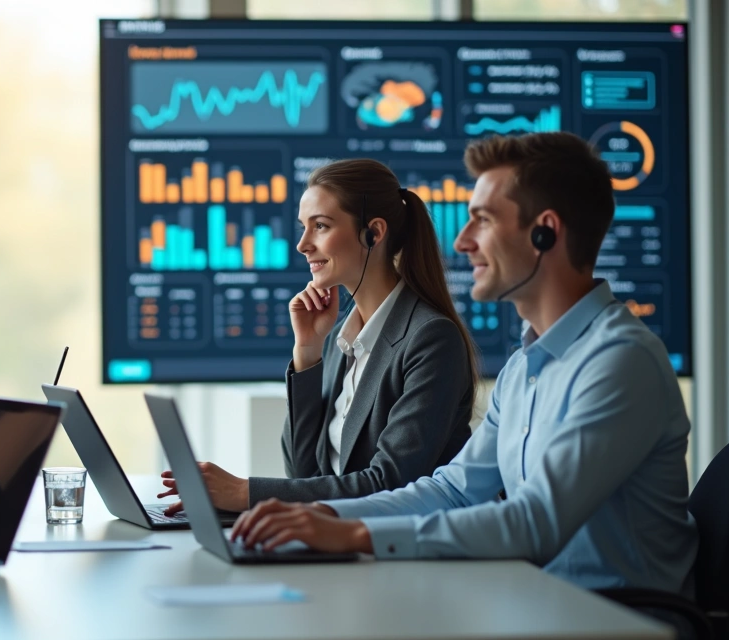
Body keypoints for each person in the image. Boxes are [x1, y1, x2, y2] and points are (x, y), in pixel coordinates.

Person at [231, 132, 698, 596]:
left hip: (611, 617)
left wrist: (356, 534)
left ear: (545, 232)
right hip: (534, 603)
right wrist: (324, 516)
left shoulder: (619, 362)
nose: (461, 241)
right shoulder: (523, 369)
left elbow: (535, 523)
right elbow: (450, 490)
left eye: (483, 220)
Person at [158, 158, 476, 516]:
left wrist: (245, 493)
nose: (303, 245)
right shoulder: (340, 339)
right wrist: (307, 352)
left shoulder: (431, 339)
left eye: (320, 226)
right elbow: (302, 472)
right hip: (341, 542)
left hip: (405, 553)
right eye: (303, 228)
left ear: (374, 232)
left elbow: (391, 483)